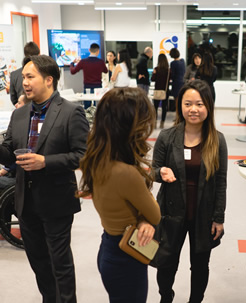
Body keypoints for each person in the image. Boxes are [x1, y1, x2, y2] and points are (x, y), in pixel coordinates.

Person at [0, 55, 89, 303]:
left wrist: (46, 162)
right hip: (25, 201)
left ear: (49, 80)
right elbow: (9, 155)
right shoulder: (20, 115)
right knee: (39, 261)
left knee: (60, 262)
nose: (25, 83)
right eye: (23, 78)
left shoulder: (70, 112)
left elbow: (83, 156)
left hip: (56, 202)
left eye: (30, 77)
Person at [79, 87, 160, 303]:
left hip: (109, 247)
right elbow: (155, 215)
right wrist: (145, 217)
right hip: (126, 257)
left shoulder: (97, 159)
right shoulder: (126, 173)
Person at [152, 80, 228, 303]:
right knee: (166, 263)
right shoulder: (167, 137)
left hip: (203, 215)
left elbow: (221, 182)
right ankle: (166, 297)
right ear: (180, 106)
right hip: (170, 212)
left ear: (208, 107)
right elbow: (153, 170)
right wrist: (161, 173)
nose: (194, 109)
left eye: (200, 104)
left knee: (200, 264)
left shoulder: (217, 140)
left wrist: (218, 218)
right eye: (188, 104)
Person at [152, 53, 170, 128]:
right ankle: (162, 123)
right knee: (164, 107)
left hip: (157, 90)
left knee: (155, 107)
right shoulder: (168, 70)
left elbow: (152, 79)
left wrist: (154, 74)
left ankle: (155, 122)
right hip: (165, 91)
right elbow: (170, 79)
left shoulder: (156, 69)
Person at [168, 48, 185, 112]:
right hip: (182, 83)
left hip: (176, 84)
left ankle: (178, 116)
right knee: (181, 101)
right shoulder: (182, 61)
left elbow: (173, 75)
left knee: (177, 101)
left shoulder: (173, 63)